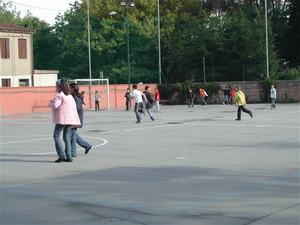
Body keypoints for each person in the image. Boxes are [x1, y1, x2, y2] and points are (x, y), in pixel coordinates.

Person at [48, 79, 81, 163]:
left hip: (63, 119)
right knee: (66, 137)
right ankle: (69, 156)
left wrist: (50, 103)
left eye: (56, 85)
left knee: (56, 136)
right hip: (71, 119)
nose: (55, 87)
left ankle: (62, 155)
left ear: (60, 86)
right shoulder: (69, 96)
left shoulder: (59, 95)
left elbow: (55, 105)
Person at [69, 83, 92, 156]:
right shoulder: (74, 96)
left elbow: (78, 108)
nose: (68, 89)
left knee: (72, 134)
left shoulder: (75, 97)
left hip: (75, 119)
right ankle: (73, 152)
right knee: (72, 135)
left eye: (69, 88)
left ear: (72, 89)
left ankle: (86, 145)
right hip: (75, 118)